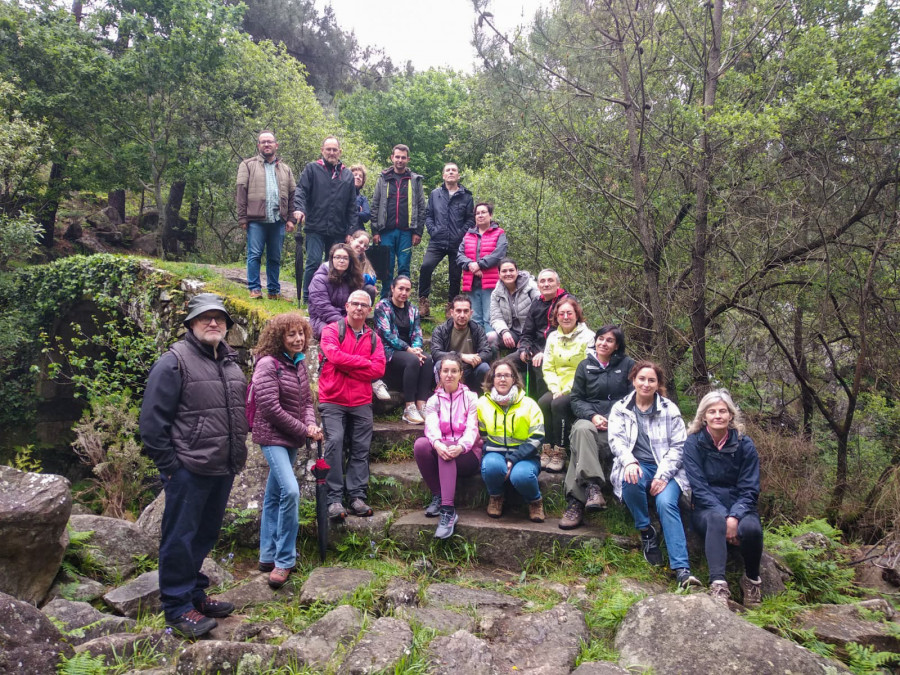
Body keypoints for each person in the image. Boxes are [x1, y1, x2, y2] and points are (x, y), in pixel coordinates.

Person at [139, 293, 248, 638]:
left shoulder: (231, 363)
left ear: (227, 326)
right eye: (205, 317)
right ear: (190, 323)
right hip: (188, 468)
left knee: (204, 534)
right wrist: (172, 467)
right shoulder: (174, 362)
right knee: (180, 537)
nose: (213, 322)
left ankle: (193, 593)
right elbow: (152, 424)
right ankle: (175, 606)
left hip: (222, 465)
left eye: (219, 318)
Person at [607, 361, 700, 589]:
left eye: (651, 380)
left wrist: (662, 476)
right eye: (642, 379)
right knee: (629, 480)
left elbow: (679, 447)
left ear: (658, 384)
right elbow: (616, 440)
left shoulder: (669, 409)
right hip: (637, 464)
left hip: (668, 468)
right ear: (633, 380)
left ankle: (682, 570)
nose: (646, 384)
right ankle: (646, 530)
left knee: (666, 503)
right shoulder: (621, 408)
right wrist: (628, 461)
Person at [249, 313, 322, 589]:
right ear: (278, 337)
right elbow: (270, 408)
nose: (298, 339)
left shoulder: (299, 364)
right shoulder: (268, 364)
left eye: (301, 334)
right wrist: (304, 430)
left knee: (275, 494)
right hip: (272, 436)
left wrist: (311, 424)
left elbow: (305, 402)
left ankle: (266, 554)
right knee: (291, 491)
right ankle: (284, 560)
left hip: (291, 436)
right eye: (291, 334)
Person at [683, 390, 764, 607]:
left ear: (731, 415)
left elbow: (750, 488)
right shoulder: (693, 443)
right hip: (706, 508)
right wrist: (724, 516)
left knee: (752, 530)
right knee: (716, 520)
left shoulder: (745, 445)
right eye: (712, 411)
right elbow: (698, 487)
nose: (718, 415)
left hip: (741, 505)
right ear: (704, 416)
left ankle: (752, 580)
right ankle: (718, 583)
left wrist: (735, 516)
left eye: (722, 411)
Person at [318, 290, 387, 519]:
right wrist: (362, 364)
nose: (359, 308)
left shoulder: (374, 337)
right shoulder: (331, 330)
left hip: (361, 400)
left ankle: (357, 497)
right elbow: (334, 356)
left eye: (363, 305)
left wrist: (347, 365)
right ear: (346, 306)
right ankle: (334, 499)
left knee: (360, 447)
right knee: (335, 442)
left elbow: (379, 369)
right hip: (332, 398)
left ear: (369, 310)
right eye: (355, 304)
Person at [559, 325, 635, 529]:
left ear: (617, 345)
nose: (603, 343)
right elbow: (576, 399)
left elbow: (632, 398)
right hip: (589, 420)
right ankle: (593, 487)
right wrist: (592, 416)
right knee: (582, 431)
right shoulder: (585, 366)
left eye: (609, 340)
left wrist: (611, 418)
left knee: (580, 447)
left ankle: (575, 503)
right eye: (600, 339)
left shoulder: (628, 365)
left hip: (616, 425)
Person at [414, 353, 482, 539]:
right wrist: (437, 444)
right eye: (445, 371)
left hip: (467, 455)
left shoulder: (471, 398)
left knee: (448, 448)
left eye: (454, 371)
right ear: (440, 374)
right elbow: (431, 426)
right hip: (444, 450)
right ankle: (438, 494)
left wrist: (460, 446)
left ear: (461, 374)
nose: (449, 375)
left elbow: (472, 429)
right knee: (421, 445)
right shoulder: (433, 401)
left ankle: (448, 510)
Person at [477, 359, 546, 523]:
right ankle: (496, 496)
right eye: (498, 375)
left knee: (521, 476)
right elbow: (482, 433)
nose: (502, 379)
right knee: (491, 466)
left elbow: (537, 436)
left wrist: (513, 459)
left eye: (507, 375)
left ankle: (535, 501)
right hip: (495, 453)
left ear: (514, 379)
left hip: (525, 456)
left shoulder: (529, 404)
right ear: (492, 379)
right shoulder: (482, 404)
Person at [293, 136, 358, 304]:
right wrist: (299, 209)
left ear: (339, 152)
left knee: (335, 266)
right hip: (315, 226)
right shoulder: (312, 169)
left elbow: (352, 205)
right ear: (322, 150)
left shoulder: (347, 175)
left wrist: (351, 231)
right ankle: (308, 297)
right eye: (328, 149)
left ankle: (330, 299)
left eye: (334, 149)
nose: (331, 152)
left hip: (338, 229)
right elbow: (300, 191)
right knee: (313, 261)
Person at [236, 131, 297, 300]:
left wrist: (291, 219)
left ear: (276, 145)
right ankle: (254, 289)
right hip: (256, 219)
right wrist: (242, 217)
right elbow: (241, 193)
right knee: (254, 254)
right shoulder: (247, 165)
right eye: (263, 142)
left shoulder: (285, 169)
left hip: (278, 220)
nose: (266, 145)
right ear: (258, 146)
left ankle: (273, 291)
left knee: (275, 257)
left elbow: (293, 195)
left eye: (270, 142)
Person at [538, 297, 594, 473]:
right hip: (556, 386)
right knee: (543, 402)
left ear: (577, 314)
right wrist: (555, 388)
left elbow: (585, 367)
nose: (565, 317)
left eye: (569, 313)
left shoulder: (589, 337)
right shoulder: (553, 337)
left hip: (578, 386)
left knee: (558, 404)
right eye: (561, 313)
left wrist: (565, 390)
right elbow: (548, 365)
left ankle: (561, 450)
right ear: (556, 316)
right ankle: (547, 447)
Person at [373, 276, 433, 424]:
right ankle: (409, 407)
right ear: (392, 288)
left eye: (407, 289)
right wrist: (408, 349)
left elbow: (417, 333)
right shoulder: (382, 307)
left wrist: (417, 349)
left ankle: (421, 404)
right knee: (412, 360)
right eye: (400, 288)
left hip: (410, 351)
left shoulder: (413, 309)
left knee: (428, 359)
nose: (404, 292)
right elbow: (386, 334)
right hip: (388, 351)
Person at [418, 162, 475, 317]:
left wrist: (461, 234)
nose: (451, 172)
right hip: (437, 240)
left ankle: (452, 306)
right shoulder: (435, 194)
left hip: (457, 242)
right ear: (443, 175)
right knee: (426, 267)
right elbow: (428, 215)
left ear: (458, 175)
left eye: (454, 170)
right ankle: (423, 302)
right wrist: (433, 231)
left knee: (455, 275)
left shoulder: (467, 196)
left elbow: (470, 220)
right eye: (448, 170)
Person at [370, 144, 425, 297]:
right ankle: (385, 301)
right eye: (397, 157)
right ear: (392, 157)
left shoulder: (415, 180)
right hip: (386, 231)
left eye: (403, 157)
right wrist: (375, 231)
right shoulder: (383, 178)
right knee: (386, 268)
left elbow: (421, 207)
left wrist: (418, 232)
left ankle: (402, 301)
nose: (400, 160)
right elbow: (375, 205)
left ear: (408, 159)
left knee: (404, 268)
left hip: (406, 233)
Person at [517, 269, 573, 397]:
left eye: (550, 280)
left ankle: (540, 404)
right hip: (534, 347)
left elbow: (565, 333)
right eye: (542, 281)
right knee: (508, 363)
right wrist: (524, 348)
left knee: (539, 365)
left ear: (558, 284)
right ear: (538, 286)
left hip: (556, 349)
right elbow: (527, 332)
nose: (546, 284)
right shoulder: (537, 303)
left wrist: (544, 352)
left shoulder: (567, 303)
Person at [457, 202, 508, 341]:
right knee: (475, 318)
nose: (480, 215)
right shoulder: (468, 234)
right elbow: (460, 255)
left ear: (490, 215)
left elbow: (499, 254)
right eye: (477, 213)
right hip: (471, 282)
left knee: (489, 318)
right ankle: (477, 348)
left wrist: (479, 265)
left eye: (483, 212)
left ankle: (491, 351)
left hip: (491, 283)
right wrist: (471, 265)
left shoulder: (499, 233)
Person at [431, 295, 493, 392]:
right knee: (439, 364)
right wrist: (461, 356)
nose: (462, 315)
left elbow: (487, 352)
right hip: (450, 371)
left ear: (471, 313)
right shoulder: (441, 330)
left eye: (466, 311)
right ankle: (444, 396)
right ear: (452, 312)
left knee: (484, 367)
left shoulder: (477, 329)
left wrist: (473, 360)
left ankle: (476, 399)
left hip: (471, 370)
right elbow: (436, 353)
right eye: (458, 311)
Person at [307, 243, 363, 340]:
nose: (341, 261)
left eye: (345, 258)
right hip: (321, 319)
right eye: (337, 257)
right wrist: (345, 323)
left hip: (347, 318)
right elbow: (323, 308)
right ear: (332, 259)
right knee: (336, 335)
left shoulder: (353, 278)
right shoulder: (319, 279)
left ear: (350, 261)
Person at [490, 257, 539, 353]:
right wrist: (504, 332)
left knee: (523, 353)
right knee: (490, 338)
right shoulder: (496, 293)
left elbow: (539, 314)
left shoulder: (531, 287)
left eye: (511, 270)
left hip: (532, 333)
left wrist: (526, 338)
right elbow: (496, 318)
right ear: (499, 274)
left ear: (517, 271)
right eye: (504, 271)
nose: (508, 274)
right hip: (512, 333)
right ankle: (496, 367)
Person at [348, 229, 378, 302]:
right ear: (351, 240)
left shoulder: (363, 260)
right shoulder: (342, 255)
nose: (362, 246)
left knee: (370, 289)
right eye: (360, 242)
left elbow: (372, 278)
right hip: (343, 289)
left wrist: (360, 277)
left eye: (365, 246)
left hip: (357, 291)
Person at [350, 164, 371, 231]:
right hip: (342, 231)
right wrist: (358, 210)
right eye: (355, 175)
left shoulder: (363, 198)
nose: (358, 177)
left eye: (360, 176)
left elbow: (366, 215)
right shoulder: (342, 194)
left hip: (358, 231)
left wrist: (352, 213)